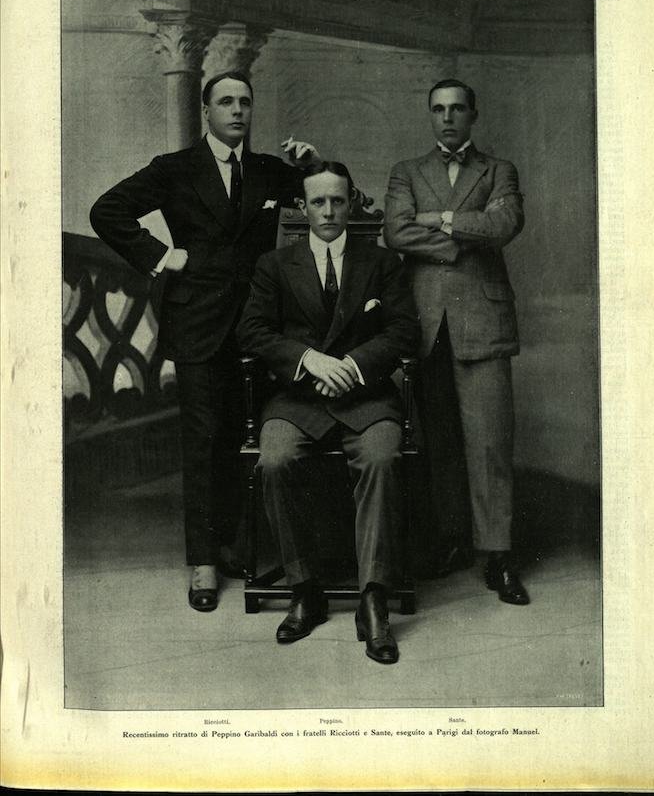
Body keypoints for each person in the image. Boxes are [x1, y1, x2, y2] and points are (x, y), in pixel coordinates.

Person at [90, 70, 317, 612]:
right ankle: (204, 561)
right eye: (226, 102)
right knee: (203, 439)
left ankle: (235, 545)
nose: (237, 110)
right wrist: (161, 256)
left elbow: (332, 196)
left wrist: (313, 166)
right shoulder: (174, 169)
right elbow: (106, 211)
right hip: (197, 322)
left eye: (245, 102)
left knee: (244, 435)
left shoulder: (269, 171)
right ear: (206, 111)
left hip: (258, 324)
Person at [236, 161, 420, 663]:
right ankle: (305, 589)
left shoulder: (382, 262)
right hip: (298, 397)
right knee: (275, 460)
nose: (328, 211)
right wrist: (307, 359)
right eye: (318, 201)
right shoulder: (275, 264)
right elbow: (252, 331)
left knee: (382, 458)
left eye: (338, 200)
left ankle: (372, 598)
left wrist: (353, 366)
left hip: (365, 396)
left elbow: (404, 332)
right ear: (302, 207)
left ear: (351, 202)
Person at [383, 78, 529, 605]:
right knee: (439, 444)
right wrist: (461, 237)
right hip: (426, 326)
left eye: (456, 109)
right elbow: (395, 232)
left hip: (483, 323)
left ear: (472, 115)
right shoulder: (407, 171)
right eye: (438, 109)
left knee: (489, 443)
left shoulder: (499, 170)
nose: (447, 118)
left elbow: (504, 224)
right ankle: (453, 543)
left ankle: (498, 556)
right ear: (430, 115)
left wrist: (440, 219)